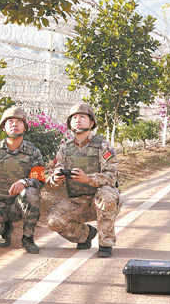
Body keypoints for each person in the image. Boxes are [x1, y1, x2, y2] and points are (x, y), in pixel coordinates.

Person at [46, 102, 121, 258]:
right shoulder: (65, 149)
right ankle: (85, 235)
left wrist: (88, 179)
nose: (77, 120)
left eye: (82, 117)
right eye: (74, 118)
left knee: (106, 193)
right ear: (70, 124)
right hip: (78, 201)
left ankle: (105, 243)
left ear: (91, 122)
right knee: (53, 220)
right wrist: (56, 178)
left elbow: (112, 176)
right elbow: (51, 180)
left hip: (102, 200)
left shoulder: (103, 146)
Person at [0, 106, 45, 254]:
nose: (14, 124)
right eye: (10, 121)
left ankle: (28, 239)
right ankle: (4, 228)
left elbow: (39, 180)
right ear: (4, 127)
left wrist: (24, 182)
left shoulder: (33, 152)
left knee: (32, 192)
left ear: (25, 128)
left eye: (19, 121)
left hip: (16, 206)